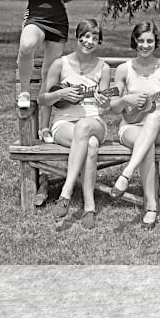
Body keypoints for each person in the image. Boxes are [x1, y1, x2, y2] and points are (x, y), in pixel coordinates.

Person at [10, 0, 87, 142]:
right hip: (36, 16)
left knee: (50, 76)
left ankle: (44, 128)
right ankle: (24, 91)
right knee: (27, 45)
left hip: (58, 19)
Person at [108, 22, 160, 230]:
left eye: (149, 41)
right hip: (131, 125)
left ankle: (127, 173)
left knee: (152, 120)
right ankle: (151, 206)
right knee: (146, 143)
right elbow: (114, 107)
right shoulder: (124, 69)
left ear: (155, 43)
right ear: (134, 41)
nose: (145, 45)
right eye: (141, 40)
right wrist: (128, 100)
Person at [37, 19, 111, 228]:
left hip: (94, 122)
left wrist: (104, 102)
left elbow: (105, 108)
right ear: (78, 38)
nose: (89, 41)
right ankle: (89, 207)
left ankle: (66, 193)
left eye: (95, 38)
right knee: (91, 145)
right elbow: (43, 99)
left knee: (85, 126)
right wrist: (61, 93)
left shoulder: (103, 68)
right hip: (64, 125)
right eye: (86, 36)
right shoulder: (60, 64)